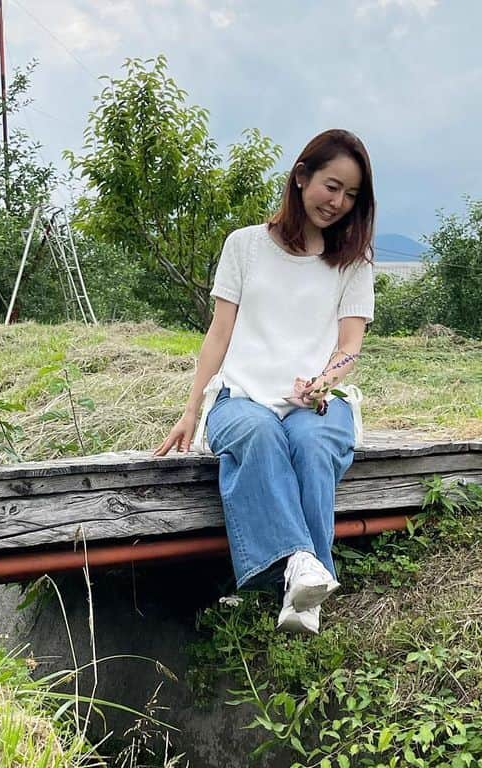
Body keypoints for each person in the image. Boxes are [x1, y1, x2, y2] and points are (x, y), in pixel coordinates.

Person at [154, 128, 376, 635]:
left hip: (318, 402)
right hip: (242, 396)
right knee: (259, 434)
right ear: (301, 178)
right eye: (331, 186)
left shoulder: (352, 263)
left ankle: (298, 587)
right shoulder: (245, 246)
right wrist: (191, 410)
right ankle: (305, 569)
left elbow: (349, 348)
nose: (339, 203)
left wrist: (322, 382)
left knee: (313, 444)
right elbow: (219, 333)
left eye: (352, 195)